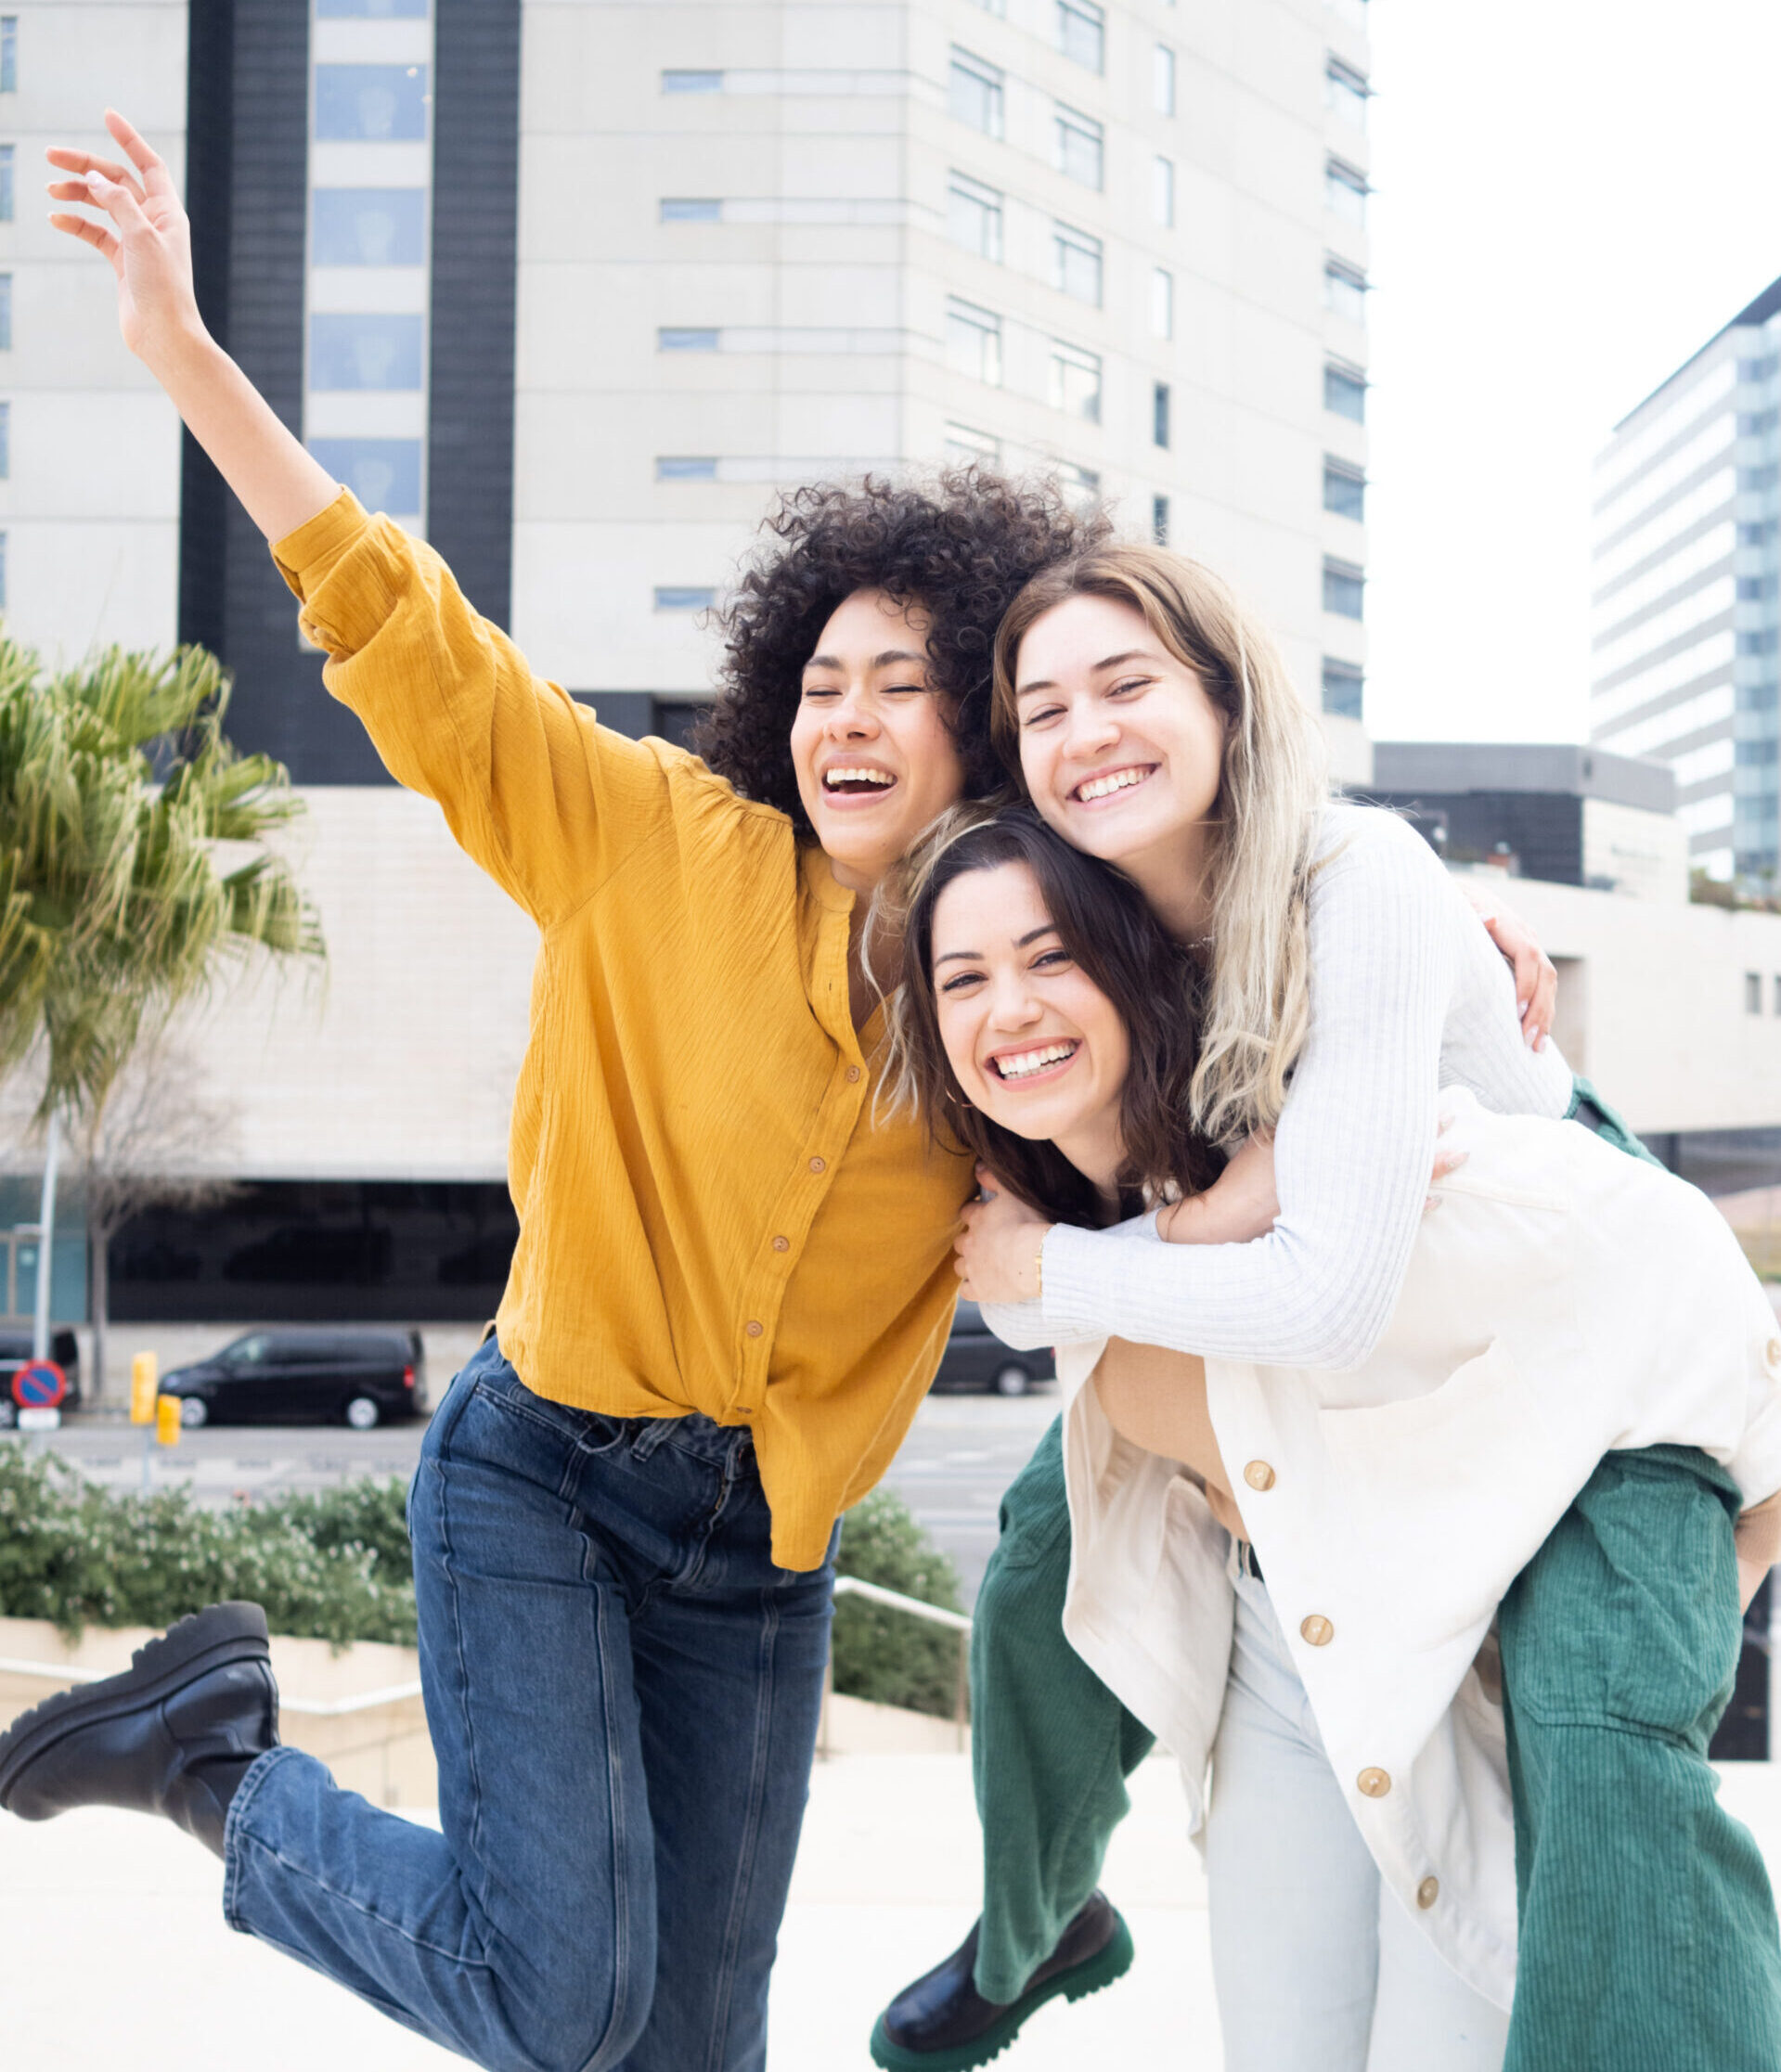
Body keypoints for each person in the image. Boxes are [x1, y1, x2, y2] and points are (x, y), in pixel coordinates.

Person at [0, 111, 1104, 2072]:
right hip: (542, 1479)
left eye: (905, 682)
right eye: (826, 677)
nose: (849, 714)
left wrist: (1457, 960)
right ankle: (215, 1770)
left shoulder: (1025, 976)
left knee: (694, 2047)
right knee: (569, 2006)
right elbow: (408, 636)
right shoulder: (654, 838)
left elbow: (1206, 1006)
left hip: (762, 1550)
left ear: (988, 724)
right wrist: (179, 344)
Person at [873, 546, 1781, 2072]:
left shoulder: (1351, 875)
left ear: (1226, 699)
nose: (1087, 729)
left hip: (1586, 1305)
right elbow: (1063, 1298)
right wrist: (1210, 1213)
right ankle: (1035, 1923)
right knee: (1045, 1552)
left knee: (1599, 1746)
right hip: (1394, 1315)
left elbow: (1328, 1287)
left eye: (1128, 684)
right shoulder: (1092, 925)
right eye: (1044, 708)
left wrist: (1150, 1243)